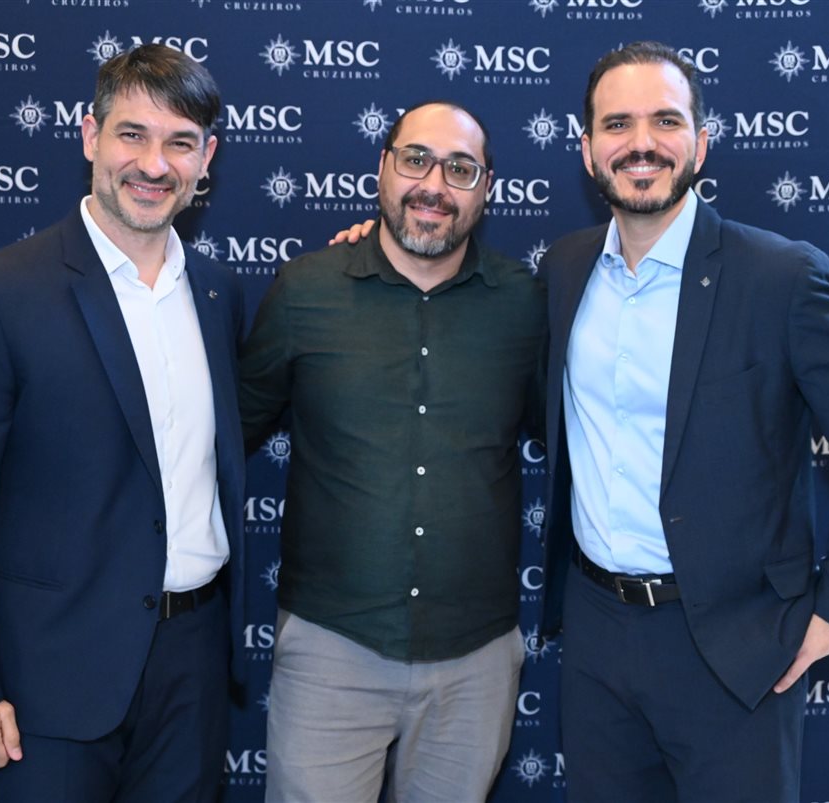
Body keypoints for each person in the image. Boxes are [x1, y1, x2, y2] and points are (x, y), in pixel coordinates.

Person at [534, 41, 829, 802]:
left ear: (701, 143)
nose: (640, 142)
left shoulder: (781, 276)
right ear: (587, 151)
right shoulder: (564, 267)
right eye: (617, 124)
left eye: (665, 120)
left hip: (738, 644)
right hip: (595, 639)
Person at [0, 44, 248, 802]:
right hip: (40, 685)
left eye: (180, 143)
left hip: (191, 668)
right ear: (90, 136)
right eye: (132, 135)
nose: (154, 164)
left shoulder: (217, 292)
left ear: (206, 157)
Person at [237, 101, 545, 803]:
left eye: (460, 169)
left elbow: (577, 440)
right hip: (331, 648)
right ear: (382, 167)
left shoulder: (527, 305)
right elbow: (227, 440)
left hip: (477, 659)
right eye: (416, 159)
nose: (434, 184)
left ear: (488, 187)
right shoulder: (305, 290)